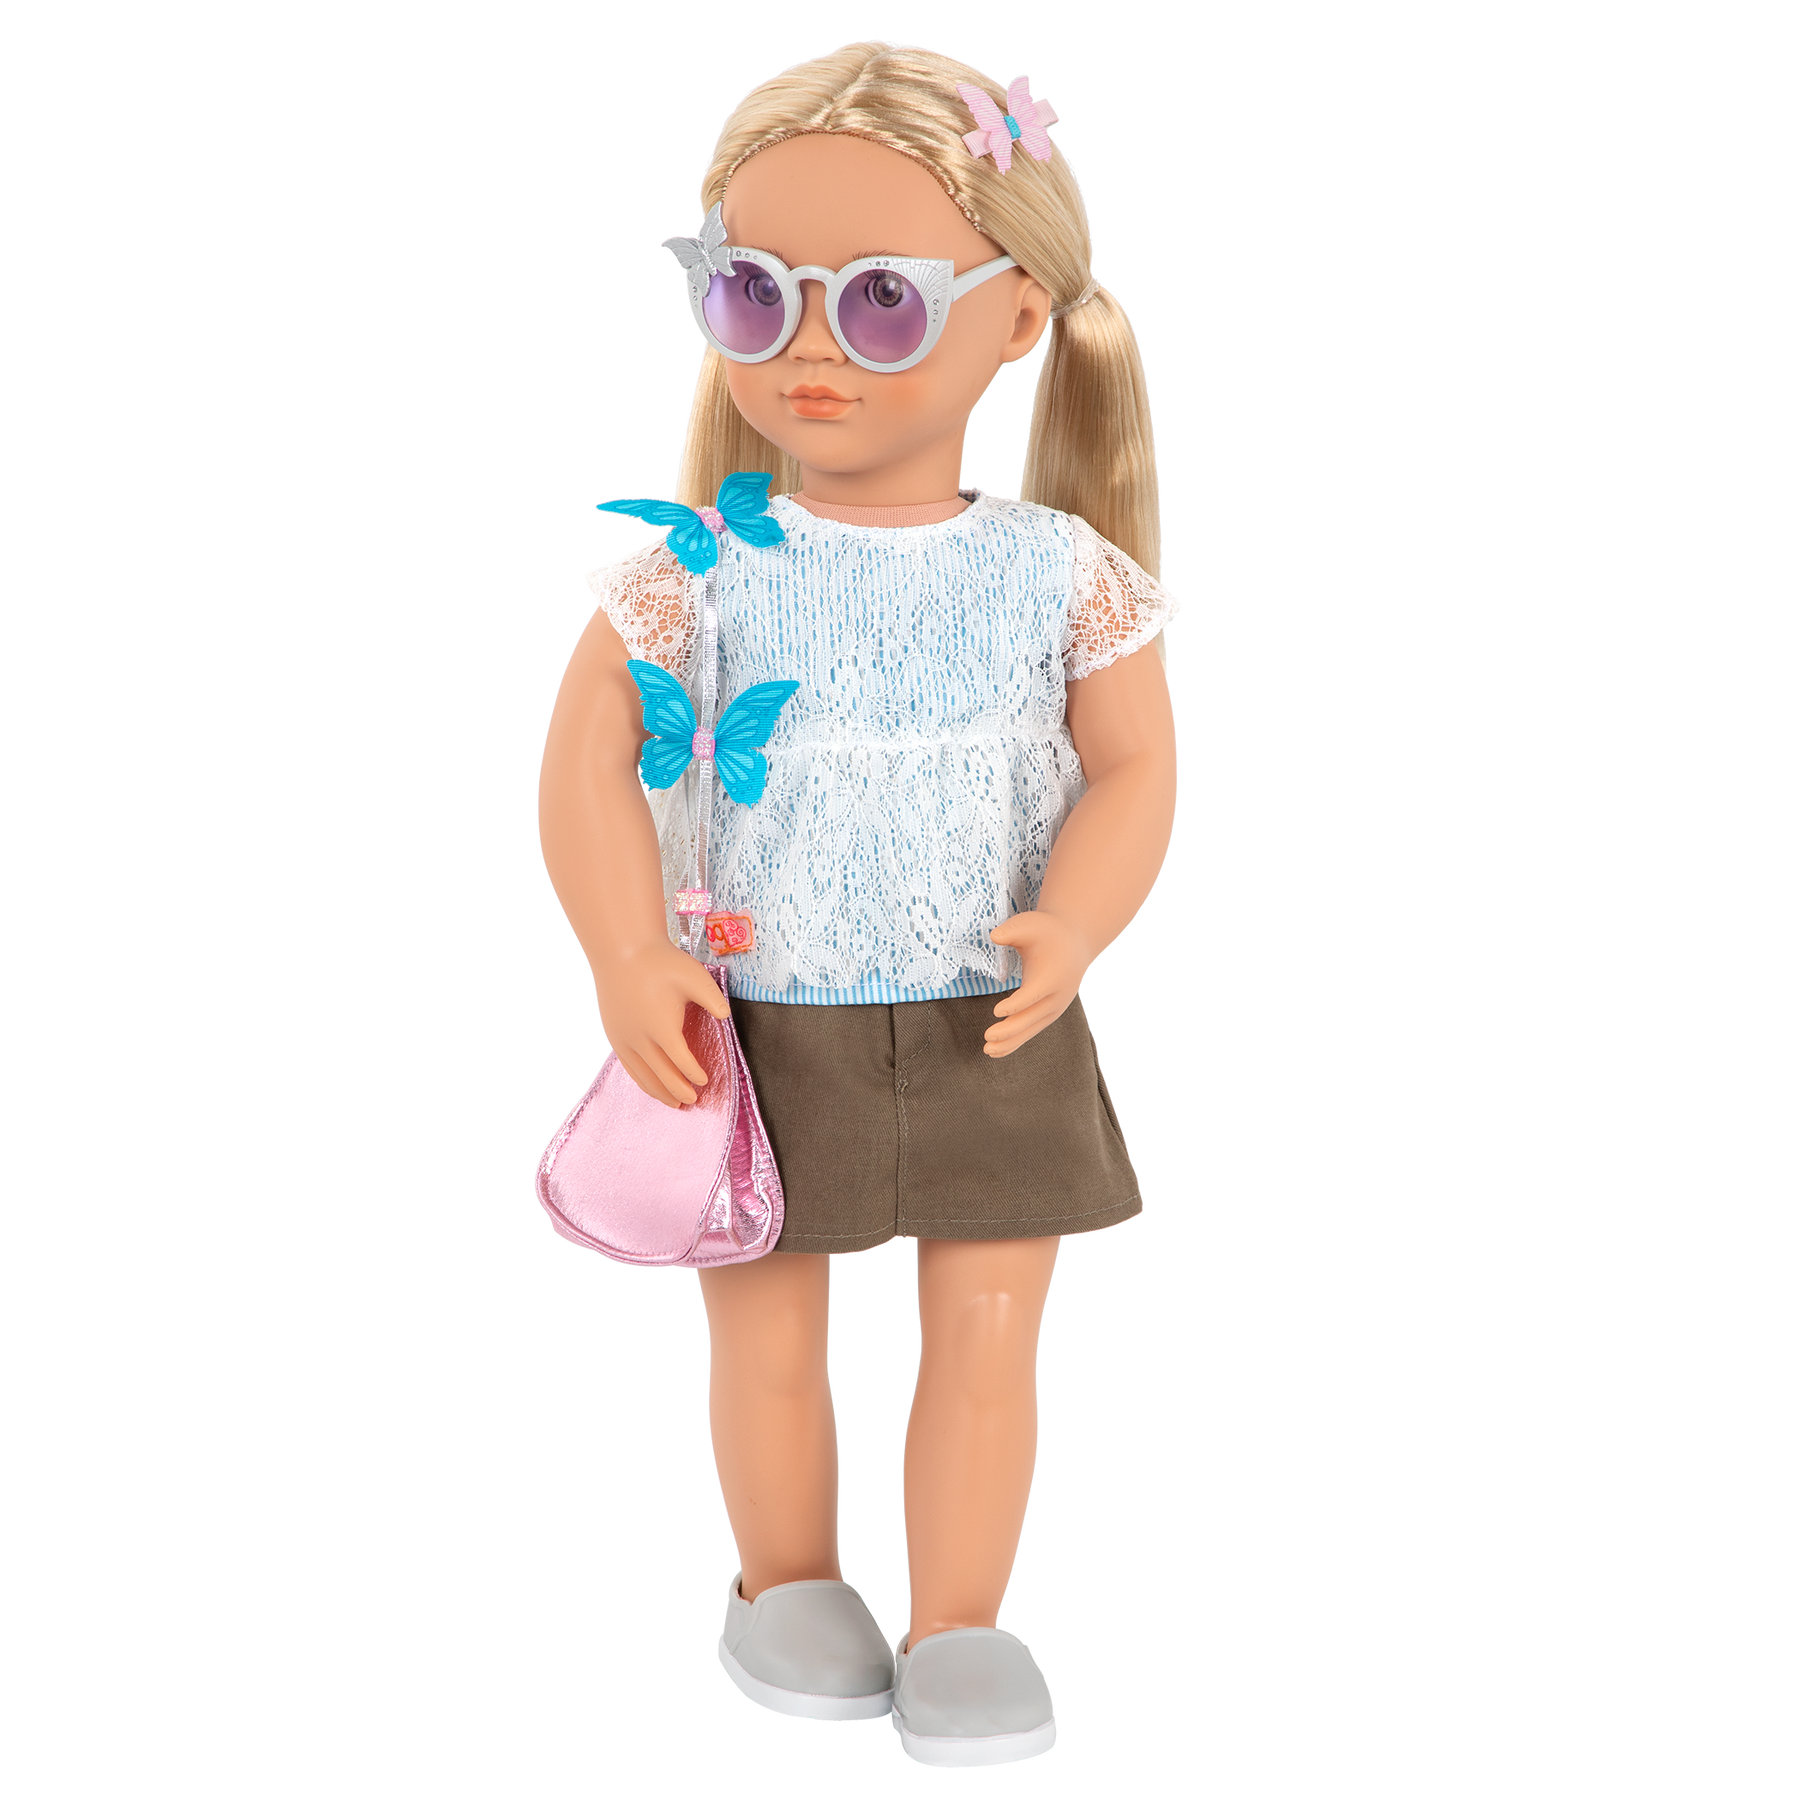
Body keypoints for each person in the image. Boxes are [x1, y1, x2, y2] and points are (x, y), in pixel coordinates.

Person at [535, 38, 1180, 1771]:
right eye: (754, 293)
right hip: (754, 1008)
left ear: (1019, 315)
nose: (808, 348)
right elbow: (581, 764)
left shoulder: (1062, 571)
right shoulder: (698, 566)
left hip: (996, 1010)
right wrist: (626, 950)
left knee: (989, 1332)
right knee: (765, 1325)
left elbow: (1137, 771)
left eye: (881, 301)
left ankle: (961, 1618)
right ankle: (786, 1581)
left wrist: (1077, 923)